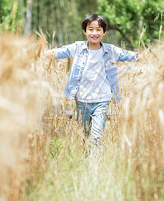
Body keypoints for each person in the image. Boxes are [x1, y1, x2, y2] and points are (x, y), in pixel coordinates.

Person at [44, 13, 141, 148]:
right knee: (84, 137)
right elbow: (61, 52)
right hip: (82, 101)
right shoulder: (77, 48)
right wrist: (44, 54)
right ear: (84, 31)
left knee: (96, 137)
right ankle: (85, 162)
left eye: (98, 29)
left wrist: (141, 56)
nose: (94, 33)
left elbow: (127, 55)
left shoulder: (110, 50)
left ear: (104, 32)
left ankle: (95, 166)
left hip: (102, 101)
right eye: (90, 29)